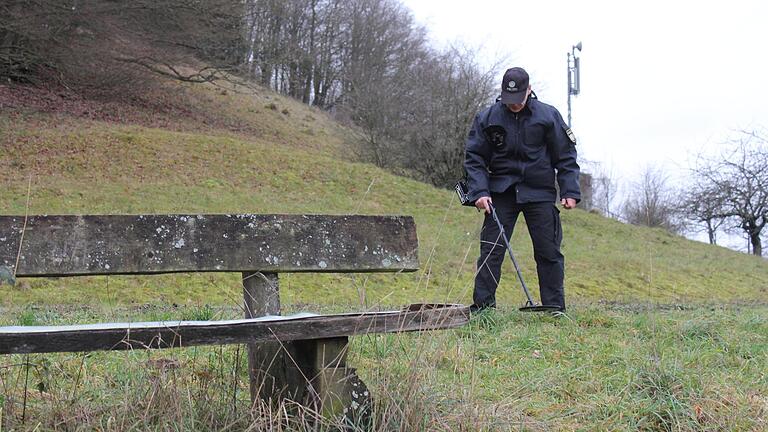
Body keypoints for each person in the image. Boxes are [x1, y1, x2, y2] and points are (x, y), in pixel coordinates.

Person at [464, 67, 580, 314]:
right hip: (501, 193)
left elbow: (566, 155)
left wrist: (570, 190)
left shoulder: (548, 116)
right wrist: (479, 192)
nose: (513, 105)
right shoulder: (488, 118)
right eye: (509, 99)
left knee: (548, 250)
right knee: (491, 249)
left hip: (539, 192)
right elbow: (474, 157)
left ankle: (554, 307)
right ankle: (483, 309)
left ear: (529, 90)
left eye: (518, 99)